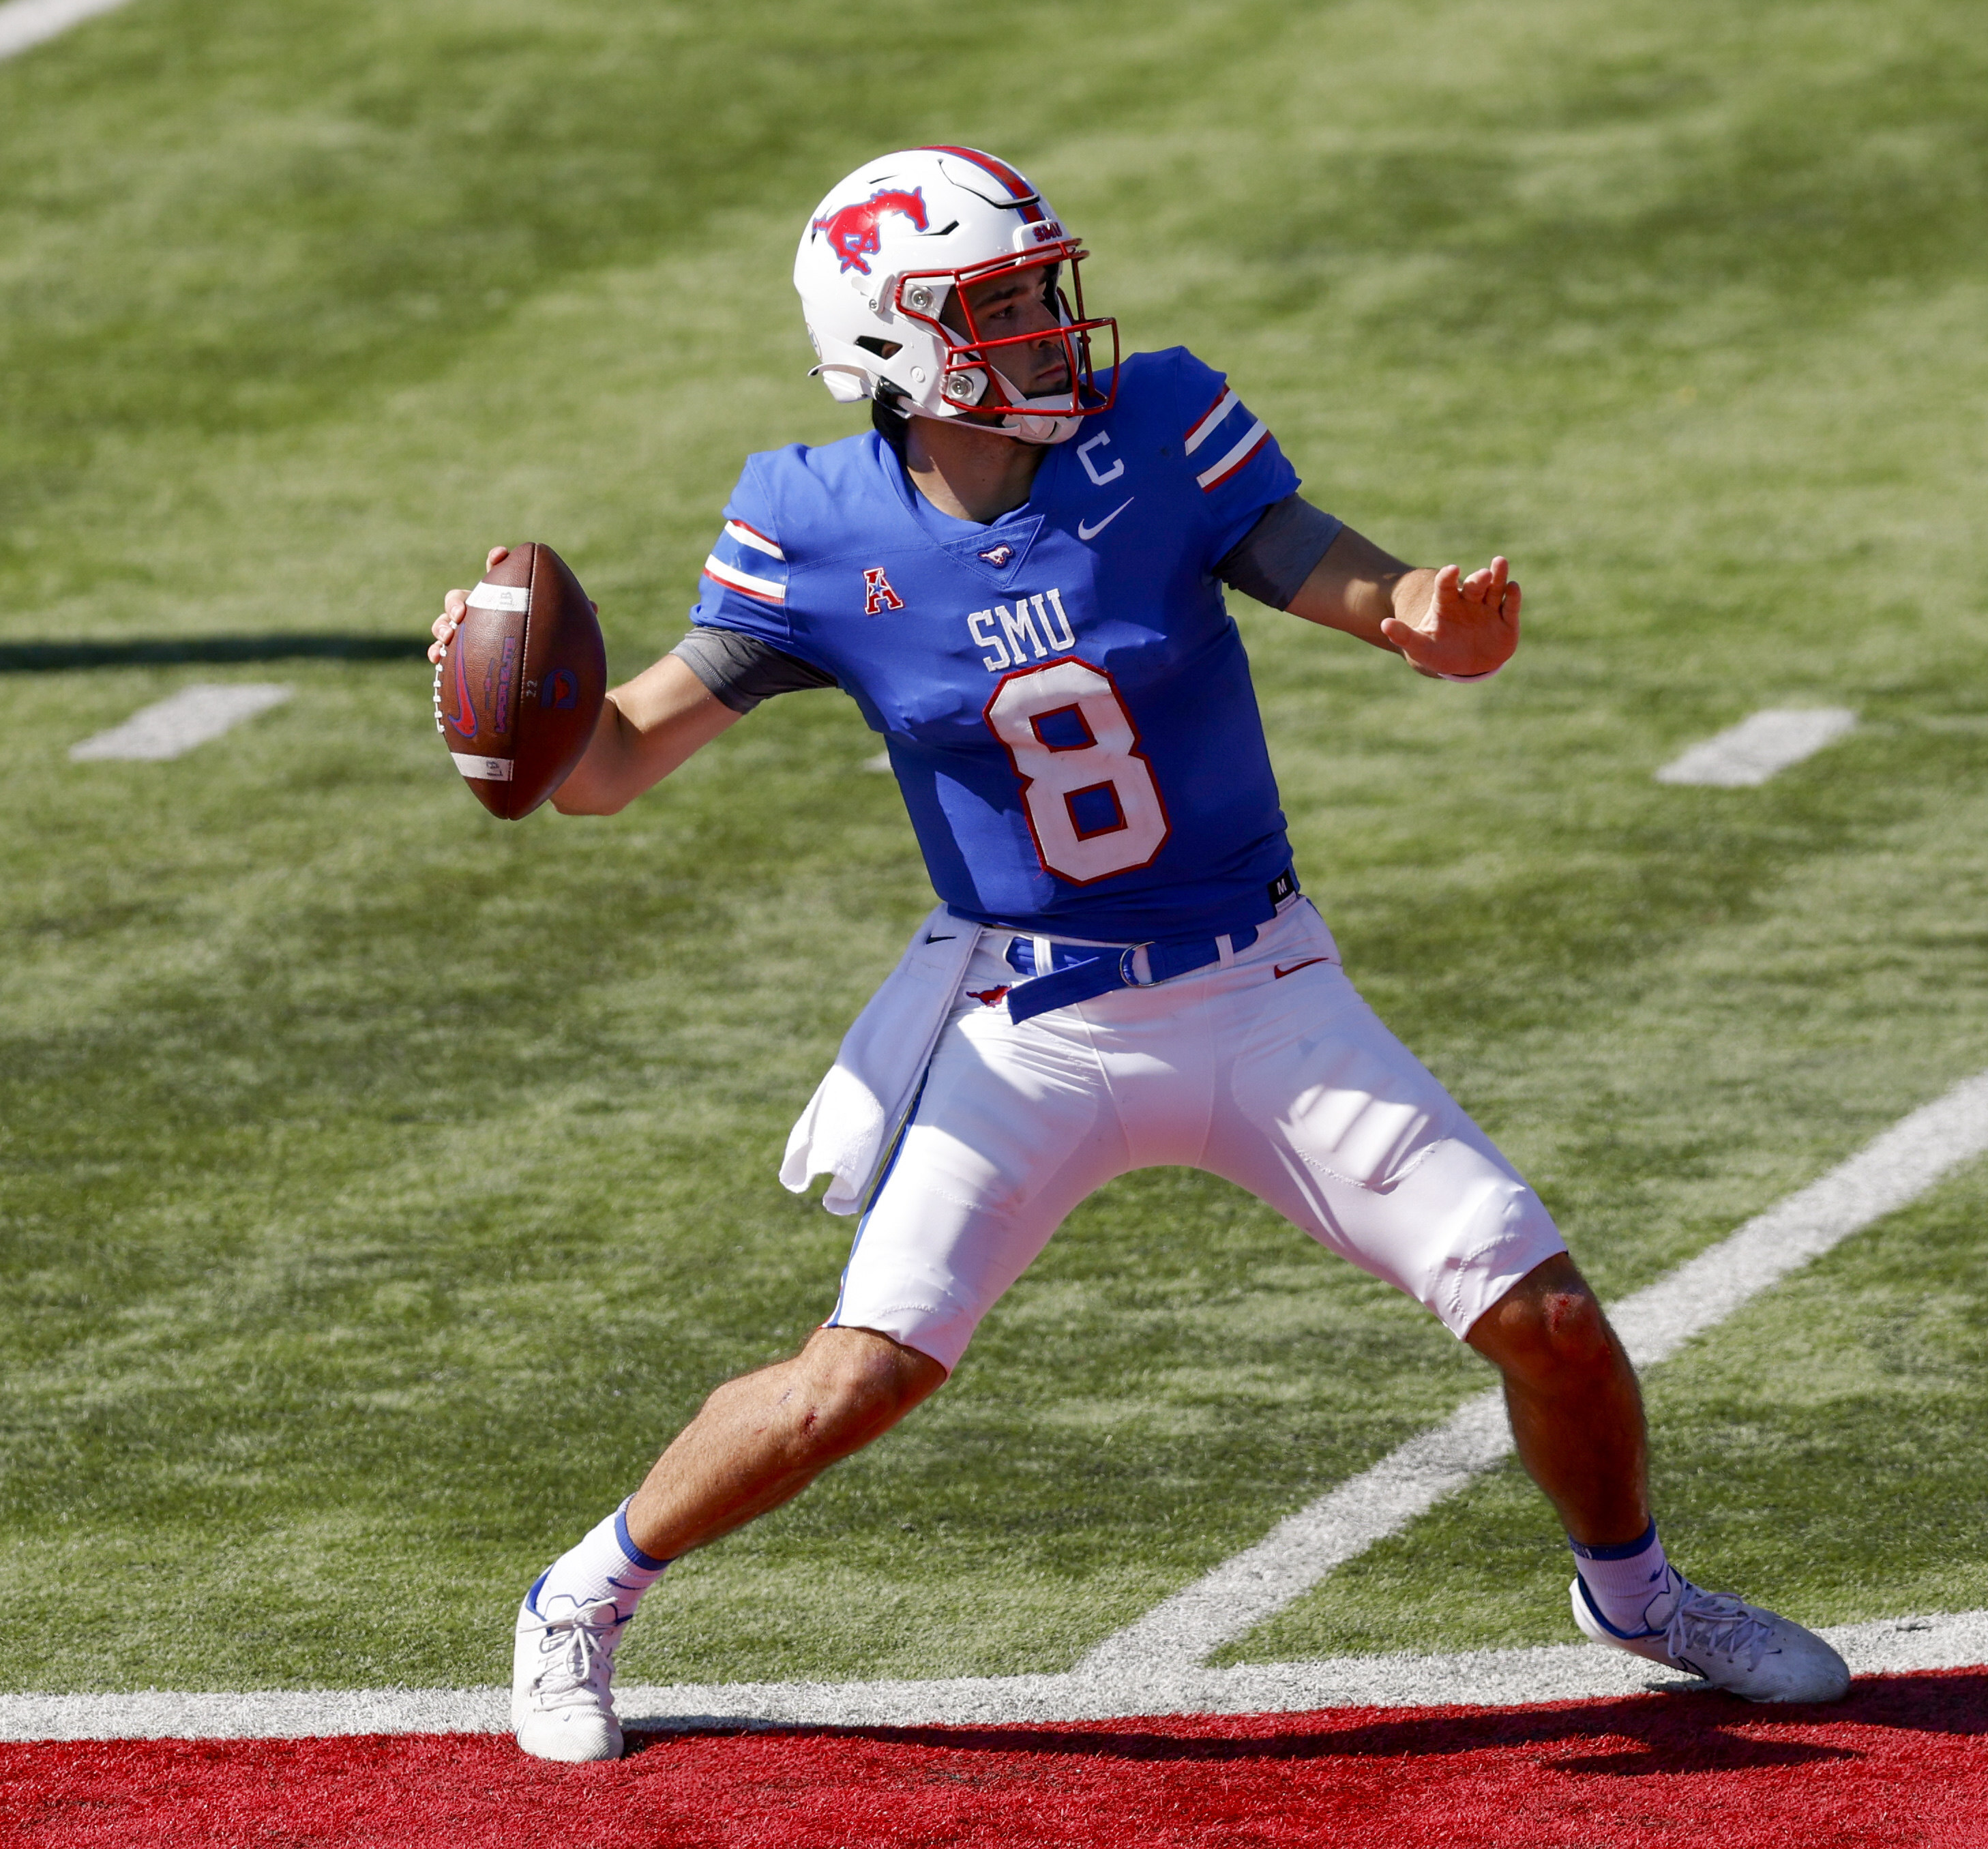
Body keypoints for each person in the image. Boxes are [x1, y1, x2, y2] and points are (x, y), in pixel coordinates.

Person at [428, 145, 1850, 1764]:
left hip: (1260, 983)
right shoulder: (813, 528)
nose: (1051, 327)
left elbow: (1358, 586)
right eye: (1004, 305)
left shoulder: (1159, 431)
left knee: (1551, 1321)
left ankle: (1639, 1597)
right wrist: (504, 711)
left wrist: (1427, 620)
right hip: (1027, 1021)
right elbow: (609, 768)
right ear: (895, 347)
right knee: (857, 1382)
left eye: (1042, 290)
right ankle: (578, 1597)